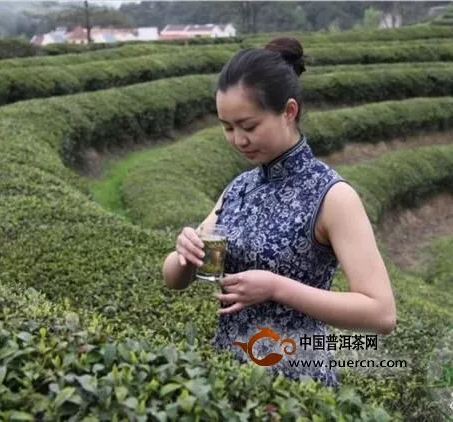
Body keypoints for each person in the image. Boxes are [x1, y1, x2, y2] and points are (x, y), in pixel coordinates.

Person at [161, 37, 396, 388]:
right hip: (230, 381)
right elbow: (176, 279)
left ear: (289, 111)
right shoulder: (239, 188)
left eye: (249, 126)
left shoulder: (332, 196)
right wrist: (184, 255)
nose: (238, 140)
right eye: (227, 128)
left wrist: (277, 288)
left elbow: (381, 313)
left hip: (298, 389)